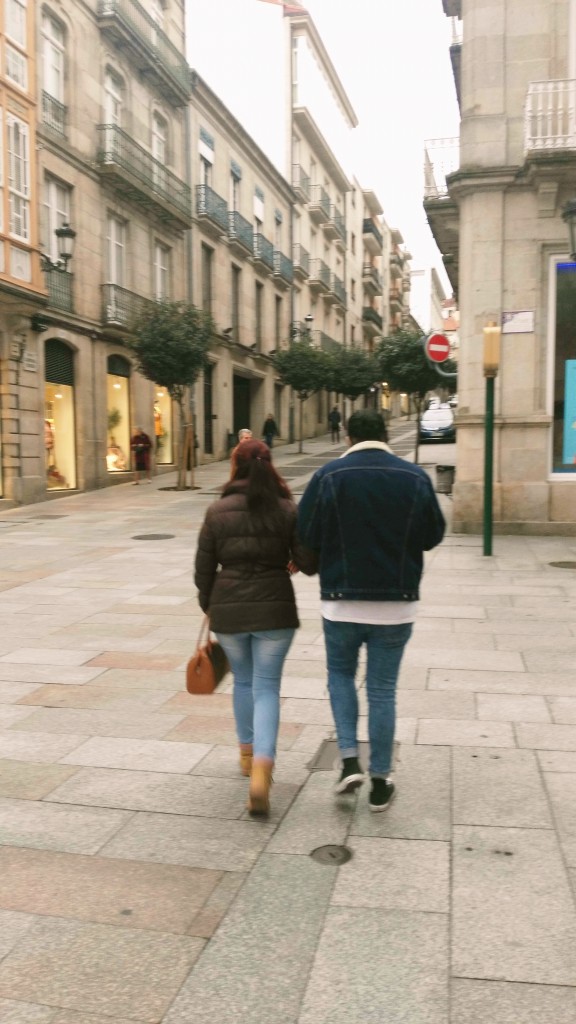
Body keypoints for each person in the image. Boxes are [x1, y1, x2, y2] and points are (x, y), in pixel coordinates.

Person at [297, 409, 445, 812]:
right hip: (396, 607)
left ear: (347, 436)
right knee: (382, 691)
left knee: (340, 676)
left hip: (340, 603)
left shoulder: (328, 476)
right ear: (383, 434)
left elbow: (305, 532)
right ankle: (380, 781)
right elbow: (433, 535)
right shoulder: (414, 477)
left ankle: (348, 762)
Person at [195, 439, 316, 817]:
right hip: (275, 611)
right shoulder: (286, 509)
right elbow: (309, 562)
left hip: (229, 611)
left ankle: (247, 755)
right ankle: (264, 766)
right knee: (267, 687)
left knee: (243, 681)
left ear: (235, 466)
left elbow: (203, 571)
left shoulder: (217, 511)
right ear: (270, 465)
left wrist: (211, 605)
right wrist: (292, 563)